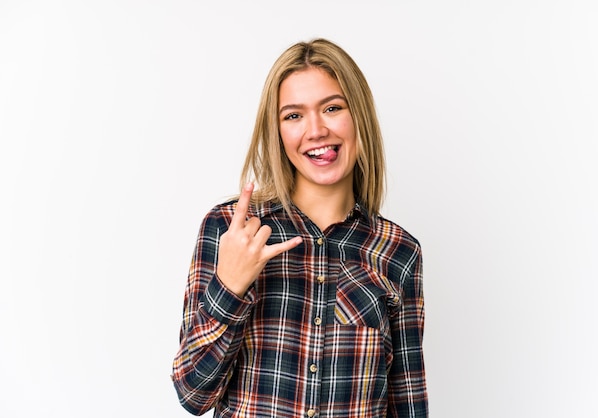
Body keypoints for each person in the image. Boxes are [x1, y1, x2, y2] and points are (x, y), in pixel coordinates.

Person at [171, 38, 428, 417]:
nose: (316, 129)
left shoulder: (398, 251)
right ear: (277, 132)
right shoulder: (230, 229)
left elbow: (407, 403)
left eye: (332, 108)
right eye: (293, 115)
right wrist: (230, 286)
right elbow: (193, 395)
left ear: (359, 116)